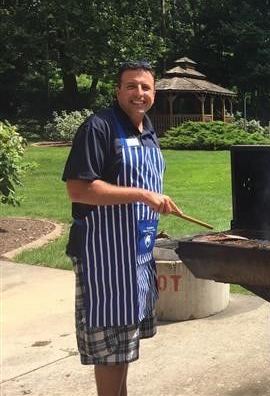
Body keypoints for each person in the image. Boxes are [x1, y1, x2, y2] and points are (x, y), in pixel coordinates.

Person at [62, 60, 181, 396]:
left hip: (136, 254)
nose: (138, 93)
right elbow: (79, 189)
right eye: (131, 86)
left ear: (154, 93)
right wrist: (143, 195)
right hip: (104, 256)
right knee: (110, 350)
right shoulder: (98, 128)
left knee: (123, 346)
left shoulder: (147, 130)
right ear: (118, 90)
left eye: (145, 87)